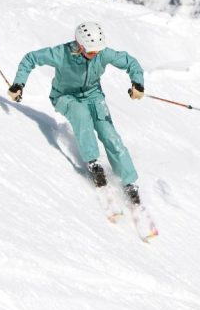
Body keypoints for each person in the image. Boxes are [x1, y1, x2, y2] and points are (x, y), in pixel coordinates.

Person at [8, 21, 145, 205]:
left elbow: (131, 62)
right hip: (65, 96)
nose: (94, 54)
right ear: (80, 45)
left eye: (96, 51)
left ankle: (129, 183)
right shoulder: (61, 54)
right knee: (81, 116)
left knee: (110, 135)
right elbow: (30, 59)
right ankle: (93, 163)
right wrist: (19, 84)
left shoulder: (102, 53)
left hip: (94, 97)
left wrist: (137, 83)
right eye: (90, 51)